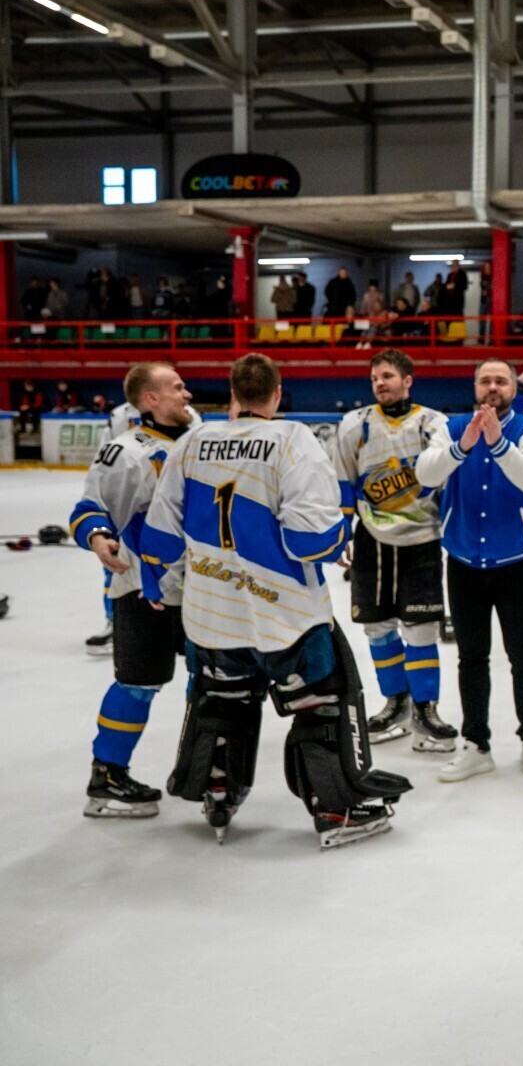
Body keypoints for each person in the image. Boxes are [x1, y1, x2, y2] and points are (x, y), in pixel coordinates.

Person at [141, 353, 410, 847]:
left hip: (212, 616)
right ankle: (335, 808)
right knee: (323, 700)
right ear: (277, 394)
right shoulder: (293, 439)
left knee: (222, 701)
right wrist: (339, 534)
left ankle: (218, 792)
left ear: (232, 394)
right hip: (286, 616)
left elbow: (159, 536)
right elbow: (310, 542)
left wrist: (161, 586)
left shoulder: (193, 442)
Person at [415, 358, 523, 781]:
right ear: (475, 386)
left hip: (517, 563)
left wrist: (497, 443)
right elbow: (425, 473)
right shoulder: (451, 427)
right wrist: (462, 446)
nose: (493, 386)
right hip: (463, 564)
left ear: (513, 387)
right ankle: (476, 744)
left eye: (501, 380)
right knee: (471, 657)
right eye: (485, 380)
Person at [69, 363, 196, 819]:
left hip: (205, 590)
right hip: (146, 588)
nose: (187, 393)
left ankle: (208, 769)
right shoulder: (125, 452)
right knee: (138, 684)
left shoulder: (201, 435)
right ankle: (107, 776)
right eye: (177, 387)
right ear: (150, 400)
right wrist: (98, 537)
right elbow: (91, 506)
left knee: (214, 683)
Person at [329, 348, 459, 757]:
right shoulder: (355, 424)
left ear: (407, 380)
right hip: (372, 540)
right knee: (377, 628)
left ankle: (426, 709)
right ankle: (396, 704)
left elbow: (448, 480)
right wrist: (341, 534)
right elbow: (342, 482)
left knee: (420, 630)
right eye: (374, 378)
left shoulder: (433, 423)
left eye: (386, 376)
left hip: (422, 540)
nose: (379, 384)